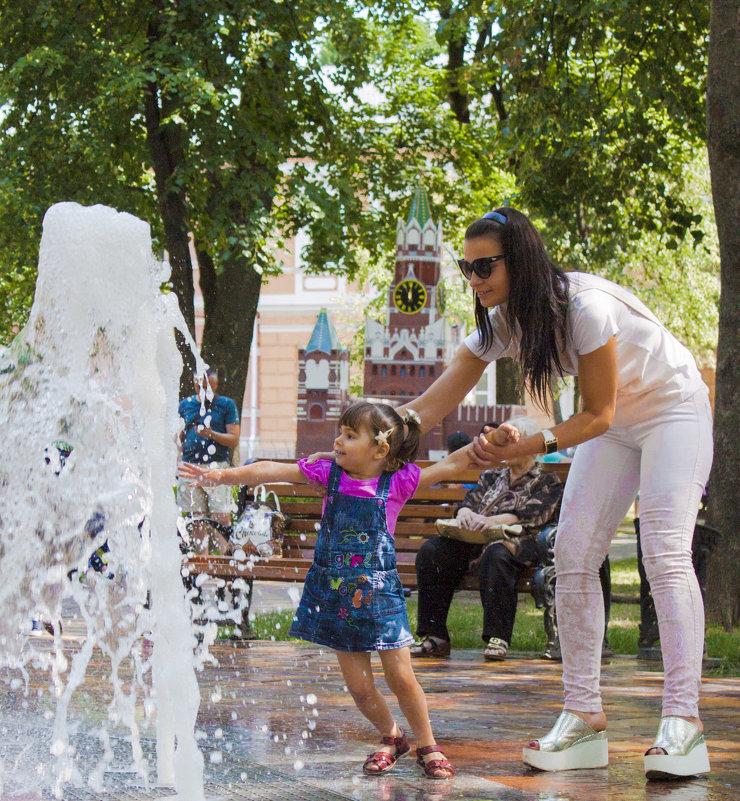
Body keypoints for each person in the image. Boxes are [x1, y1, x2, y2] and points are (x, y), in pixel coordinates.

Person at [397, 208, 713, 780]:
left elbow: (597, 411)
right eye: (467, 268)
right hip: (613, 429)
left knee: (665, 554)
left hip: (673, 409)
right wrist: (376, 433)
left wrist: (532, 443)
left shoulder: (583, 306)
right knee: (571, 554)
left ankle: (682, 724)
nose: (476, 279)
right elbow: (427, 407)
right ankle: (583, 716)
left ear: (520, 259)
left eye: (486, 265)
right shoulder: (503, 323)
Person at [180, 401, 518, 779]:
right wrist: (222, 476)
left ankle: (427, 744)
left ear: (380, 449)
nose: (338, 441)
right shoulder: (329, 475)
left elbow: (454, 464)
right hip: (337, 596)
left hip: (382, 597)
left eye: (350, 435)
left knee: (401, 677)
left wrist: (496, 439)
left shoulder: (398, 482)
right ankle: (392, 736)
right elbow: (270, 469)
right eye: (339, 433)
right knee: (359, 688)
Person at [412, 416, 563, 662]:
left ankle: (498, 637)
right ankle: (434, 636)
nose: (506, 450)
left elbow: (534, 515)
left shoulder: (546, 481)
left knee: (497, 554)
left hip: (518, 542)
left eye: (515, 444)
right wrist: (464, 513)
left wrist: (494, 521)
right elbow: (470, 501)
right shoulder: (493, 475)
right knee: (433, 551)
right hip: (476, 537)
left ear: (531, 447)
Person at [177, 368, 240, 554]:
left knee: (220, 515)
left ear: (215, 384)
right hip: (190, 466)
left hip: (217, 466)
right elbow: (178, 437)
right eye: (199, 385)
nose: (202, 389)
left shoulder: (226, 405)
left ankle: (224, 561)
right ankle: (202, 561)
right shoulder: (185, 405)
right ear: (194, 383)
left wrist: (211, 434)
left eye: (207, 386)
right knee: (195, 518)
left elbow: (233, 439)